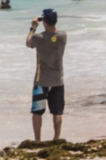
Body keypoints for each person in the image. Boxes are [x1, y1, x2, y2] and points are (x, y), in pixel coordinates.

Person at [26, 9, 66, 142]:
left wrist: (33, 27)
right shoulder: (63, 36)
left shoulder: (38, 37)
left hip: (41, 80)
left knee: (37, 112)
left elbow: (28, 43)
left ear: (44, 22)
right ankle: (56, 138)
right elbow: (54, 34)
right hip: (57, 79)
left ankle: (37, 140)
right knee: (57, 111)